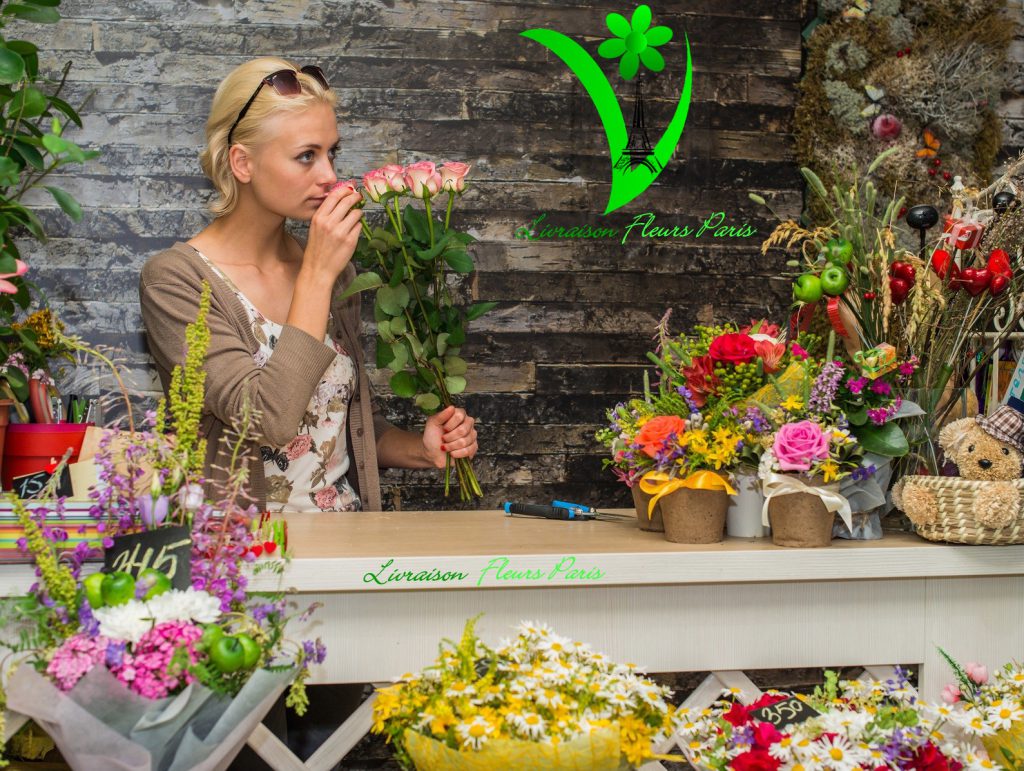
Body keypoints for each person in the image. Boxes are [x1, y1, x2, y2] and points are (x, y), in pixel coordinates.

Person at [139, 57, 478, 513]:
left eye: (331, 153)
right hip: (245, 557)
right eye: (306, 155)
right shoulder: (176, 281)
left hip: (346, 547)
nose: (329, 177)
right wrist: (317, 273)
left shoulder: (336, 270)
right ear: (242, 162)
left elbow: (342, 425)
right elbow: (267, 419)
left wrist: (422, 447)